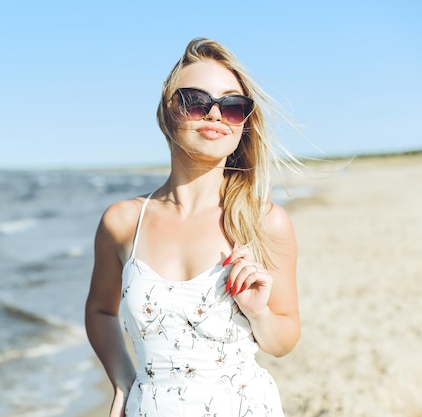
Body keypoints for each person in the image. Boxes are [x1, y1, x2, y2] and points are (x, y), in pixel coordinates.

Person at [85, 37, 300, 417]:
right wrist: (122, 380)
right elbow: (101, 311)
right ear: (168, 113)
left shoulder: (264, 222)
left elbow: (284, 341)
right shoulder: (122, 222)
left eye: (233, 106)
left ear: (242, 125)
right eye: (195, 101)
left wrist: (259, 313)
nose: (215, 114)